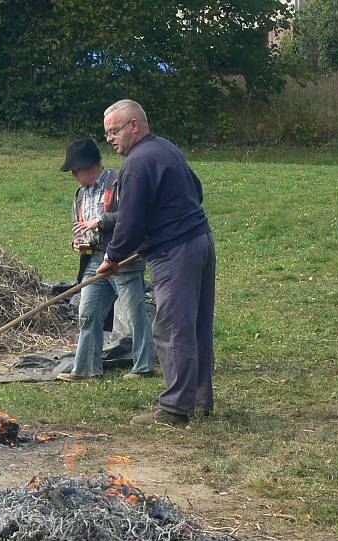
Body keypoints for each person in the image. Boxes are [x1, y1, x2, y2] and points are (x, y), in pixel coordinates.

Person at [96, 99, 216, 426]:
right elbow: (197, 190)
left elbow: (130, 222)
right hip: (200, 242)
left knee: (172, 328)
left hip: (175, 252)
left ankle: (176, 408)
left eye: (115, 130)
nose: (110, 138)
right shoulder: (166, 149)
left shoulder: (136, 164)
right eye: (106, 133)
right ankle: (201, 400)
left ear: (134, 125)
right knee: (196, 326)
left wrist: (112, 257)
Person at [56, 137, 156, 382]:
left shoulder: (119, 183)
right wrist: (78, 242)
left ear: (89, 166)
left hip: (122, 257)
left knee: (134, 313)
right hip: (93, 260)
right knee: (88, 313)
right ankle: (87, 369)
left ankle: (144, 366)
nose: (74, 176)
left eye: (75, 171)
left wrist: (101, 221)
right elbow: (79, 226)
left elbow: (133, 215)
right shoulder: (80, 194)